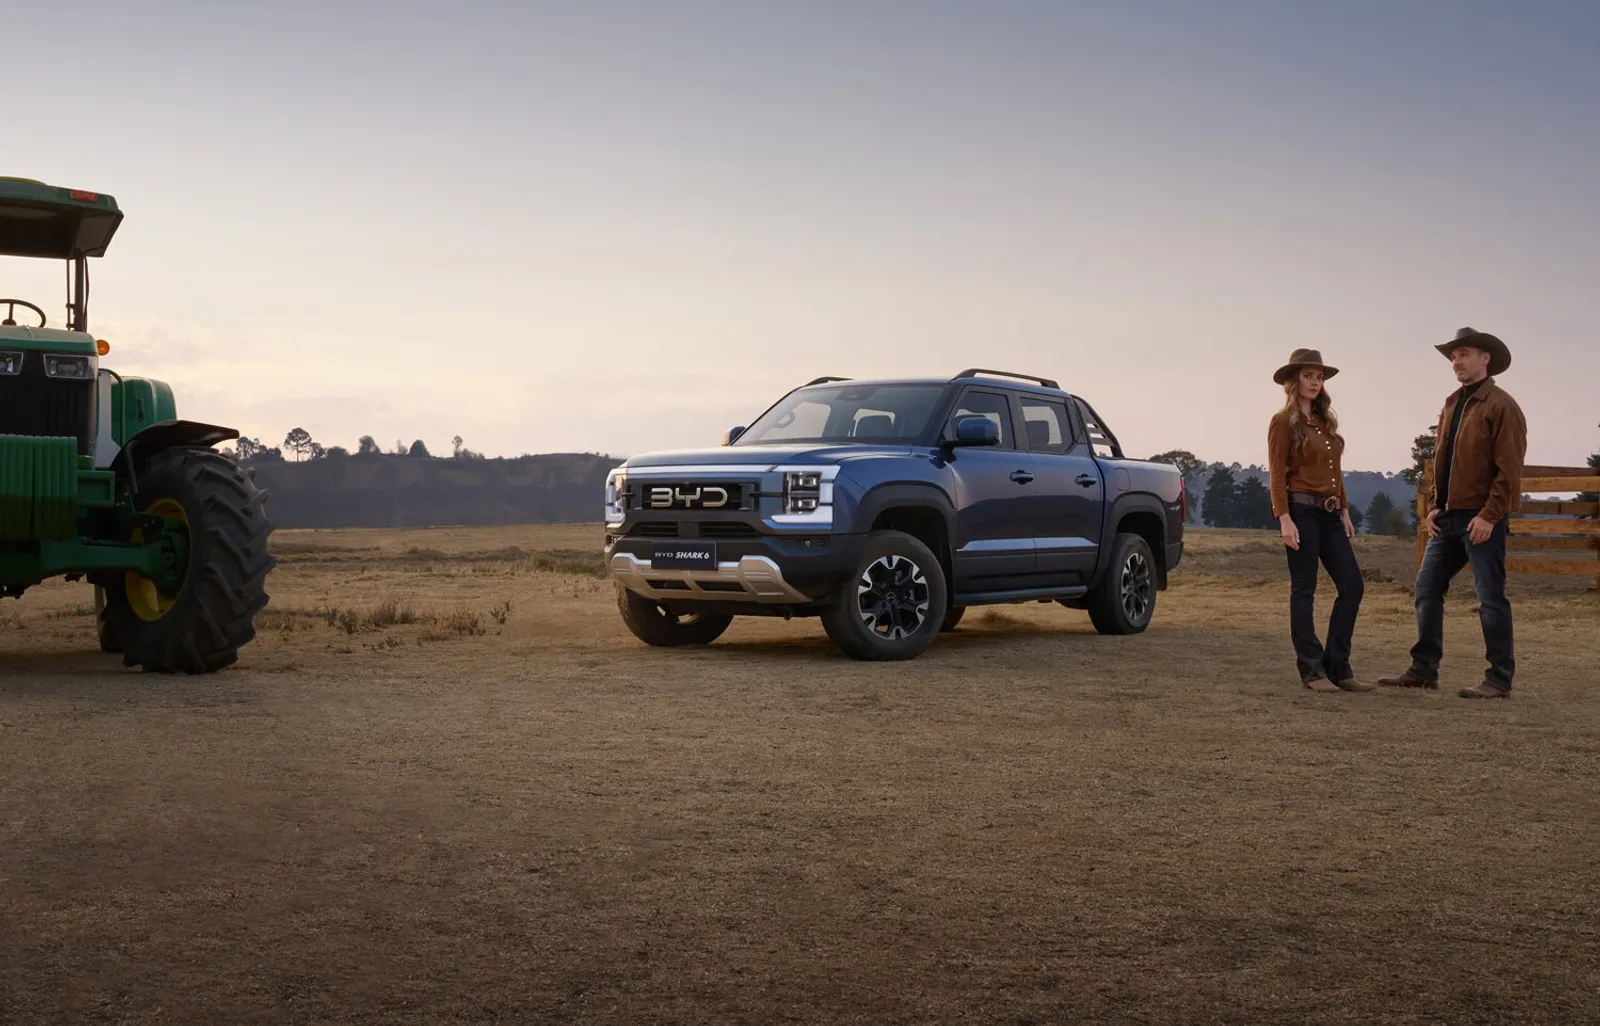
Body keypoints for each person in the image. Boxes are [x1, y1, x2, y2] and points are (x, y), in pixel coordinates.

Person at [1380, 328, 1527, 699]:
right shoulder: (1451, 404)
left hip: (1482, 519)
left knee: (1490, 597)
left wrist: (1490, 515)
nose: (1457, 362)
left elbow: (1509, 471)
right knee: (1426, 589)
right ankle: (1424, 669)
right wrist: (1434, 508)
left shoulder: (1501, 405)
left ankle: (1499, 679)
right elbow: (1441, 463)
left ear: (1485, 359)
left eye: (1464, 354)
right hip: (1447, 519)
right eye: (1453, 356)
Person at [1267, 348, 1371, 693]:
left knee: (1352, 585)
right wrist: (1284, 518)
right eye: (1309, 376)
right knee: (1304, 590)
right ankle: (1312, 670)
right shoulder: (1283, 422)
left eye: (1319, 377)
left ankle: (1338, 667)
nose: (1315, 382)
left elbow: (1335, 472)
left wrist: (1344, 510)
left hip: (1329, 515)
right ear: (1294, 380)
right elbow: (1277, 473)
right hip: (1300, 512)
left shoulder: (1325, 422)